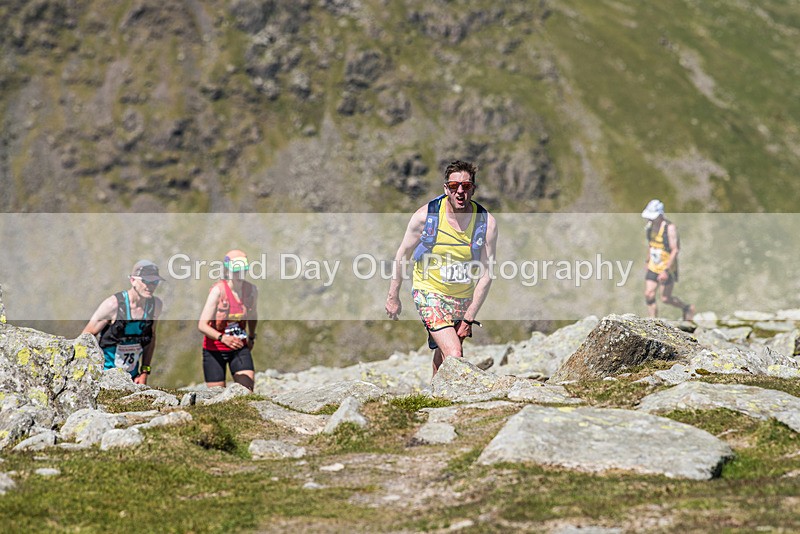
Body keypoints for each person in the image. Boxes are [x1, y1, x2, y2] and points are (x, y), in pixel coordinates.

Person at [385, 160, 498, 377]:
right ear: (446, 188)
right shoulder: (424, 217)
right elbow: (402, 255)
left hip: (462, 296)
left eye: (466, 186)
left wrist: (469, 318)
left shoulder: (486, 223)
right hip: (429, 291)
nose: (460, 192)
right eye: (454, 186)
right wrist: (393, 296)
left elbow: (487, 272)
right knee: (454, 353)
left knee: (443, 352)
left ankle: (436, 397)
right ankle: (454, 402)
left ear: (473, 189)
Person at [82, 260, 164, 385]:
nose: (150, 286)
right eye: (146, 281)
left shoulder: (155, 305)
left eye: (155, 282)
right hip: (104, 377)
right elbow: (85, 337)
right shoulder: (113, 305)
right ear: (132, 280)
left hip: (132, 379)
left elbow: (151, 337)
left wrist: (144, 372)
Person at [197, 249, 258, 391]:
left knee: (246, 392)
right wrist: (222, 338)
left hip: (239, 347)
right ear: (227, 270)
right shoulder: (218, 291)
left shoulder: (252, 291)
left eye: (243, 270)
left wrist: (251, 337)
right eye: (236, 271)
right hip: (214, 350)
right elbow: (202, 325)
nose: (239, 274)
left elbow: (253, 316)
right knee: (216, 397)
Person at [641, 199, 694, 320]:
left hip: (667, 267)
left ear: (660, 215)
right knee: (648, 294)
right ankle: (652, 321)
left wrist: (666, 270)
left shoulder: (670, 228)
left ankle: (686, 308)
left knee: (665, 298)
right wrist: (647, 260)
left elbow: (675, 249)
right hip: (653, 265)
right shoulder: (649, 227)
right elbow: (651, 244)